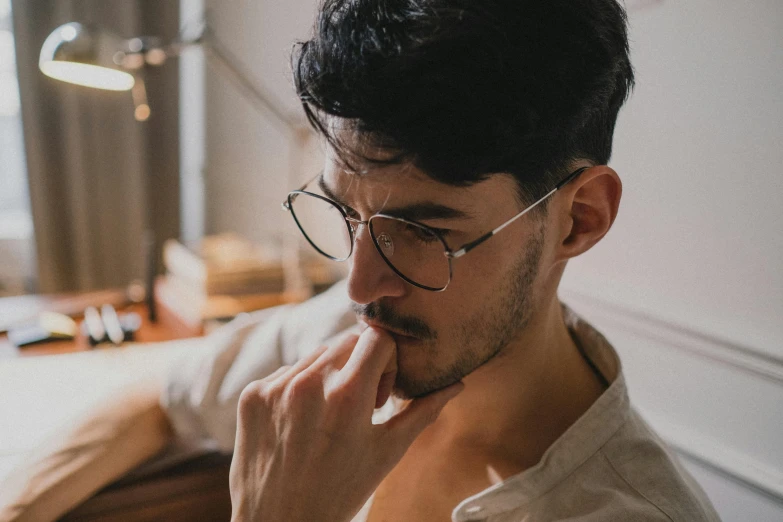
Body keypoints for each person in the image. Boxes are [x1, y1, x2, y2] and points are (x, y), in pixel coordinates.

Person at [0, 0, 722, 521]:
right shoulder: (343, 345)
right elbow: (162, 396)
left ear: (579, 219)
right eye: (346, 214)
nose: (358, 284)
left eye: (422, 232)